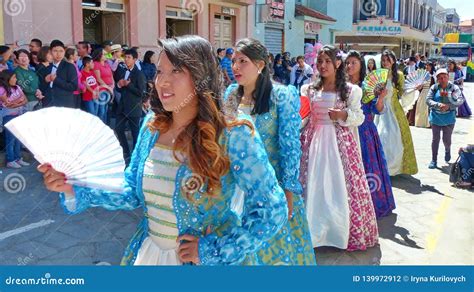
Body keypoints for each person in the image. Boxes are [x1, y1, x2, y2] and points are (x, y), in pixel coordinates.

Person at [37, 35, 287, 266]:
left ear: (201, 77)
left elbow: (272, 208)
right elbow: (130, 191)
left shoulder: (234, 132)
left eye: (176, 70)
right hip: (150, 255)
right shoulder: (152, 125)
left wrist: (217, 249)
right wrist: (73, 187)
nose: (162, 82)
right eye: (159, 72)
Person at [224, 38, 316, 265]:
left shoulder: (281, 95)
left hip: (270, 188)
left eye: (242, 61)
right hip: (232, 185)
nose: (235, 67)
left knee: (274, 251)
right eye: (234, 61)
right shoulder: (230, 94)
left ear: (260, 65)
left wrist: (288, 190)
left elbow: (291, 147)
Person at [300, 45, 378, 251]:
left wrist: (342, 116)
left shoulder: (351, 91)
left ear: (337, 63)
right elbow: (305, 116)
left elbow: (359, 117)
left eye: (327, 61)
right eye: (319, 61)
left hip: (340, 144)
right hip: (312, 143)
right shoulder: (309, 89)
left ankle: (337, 231)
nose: (322, 65)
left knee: (339, 185)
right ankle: (312, 232)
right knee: (313, 183)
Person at [346, 50, 395, 218]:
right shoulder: (341, 85)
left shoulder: (367, 86)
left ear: (361, 65)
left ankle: (370, 205)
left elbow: (377, 109)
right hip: (345, 131)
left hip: (364, 131)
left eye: (353, 63)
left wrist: (380, 98)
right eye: (347, 63)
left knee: (368, 168)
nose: (349, 66)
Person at [374, 50, 418, 176]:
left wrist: (413, 90)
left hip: (394, 110)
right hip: (379, 109)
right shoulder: (377, 74)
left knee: (394, 138)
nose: (385, 62)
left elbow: (403, 93)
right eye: (383, 60)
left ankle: (393, 168)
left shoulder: (398, 75)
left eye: (388, 60)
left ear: (393, 60)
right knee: (381, 137)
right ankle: (382, 167)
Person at [113, 49, 146, 165]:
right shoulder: (122, 71)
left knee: (135, 132)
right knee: (118, 129)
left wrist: (129, 85)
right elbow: (118, 88)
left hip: (133, 107)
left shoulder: (139, 74)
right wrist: (119, 84)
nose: (126, 60)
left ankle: (136, 155)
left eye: (129, 57)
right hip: (122, 106)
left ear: (135, 59)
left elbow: (141, 92)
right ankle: (125, 152)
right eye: (125, 57)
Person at [426, 68, 464, 169]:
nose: (442, 79)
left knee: (446, 139)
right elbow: (428, 100)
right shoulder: (434, 88)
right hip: (436, 118)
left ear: (448, 77)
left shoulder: (454, 88)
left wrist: (449, 106)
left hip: (449, 119)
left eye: (444, 77)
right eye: (440, 78)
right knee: (435, 139)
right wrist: (437, 104)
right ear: (437, 79)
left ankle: (447, 149)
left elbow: (460, 100)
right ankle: (434, 160)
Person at [0, 71, 29, 168]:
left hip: (19, 114)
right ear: (7, 79)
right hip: (8, 116)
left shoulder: (17, 87)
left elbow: (25, 100)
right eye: (13, 77)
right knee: (10, 139)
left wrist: (17, 102)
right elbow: (8, 104)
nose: (16, 79)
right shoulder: (1, 89)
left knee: (18, 138)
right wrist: (19, 101)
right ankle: (10, 160)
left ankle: (18, 158)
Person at [44, 40, 78, 108]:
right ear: (50, 52)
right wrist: (45, 81)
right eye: (55, 51)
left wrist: (56, 80)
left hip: (65, 104)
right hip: (49, 104)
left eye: (61, 51)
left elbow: (73, 86)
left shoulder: (69, 66)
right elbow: (43, 87)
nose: (58, 54)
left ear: (64, 52)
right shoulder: (48, 67)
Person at [92, 49, 114, 123]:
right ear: (99, 55)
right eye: (104, 54)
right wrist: (107, 87)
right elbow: (98, 78)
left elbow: (111, 76)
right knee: (101, 110)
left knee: (106, 110)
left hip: (108, 89)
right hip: (101, 89)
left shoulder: (106, 64)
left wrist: (112, 85)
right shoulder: (96, 64)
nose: (106, 56)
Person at [414, 62, 435, 128]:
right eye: (426, 66)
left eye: (429, 66)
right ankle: (420, 122)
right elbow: (420, 86)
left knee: (426, 108)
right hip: (423, 92)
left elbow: (434, 86)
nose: (427, 67)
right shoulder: (423, 75)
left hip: (429, 92)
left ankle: (427, 123)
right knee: (420, 106)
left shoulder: (432, 76)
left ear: (431, 67)